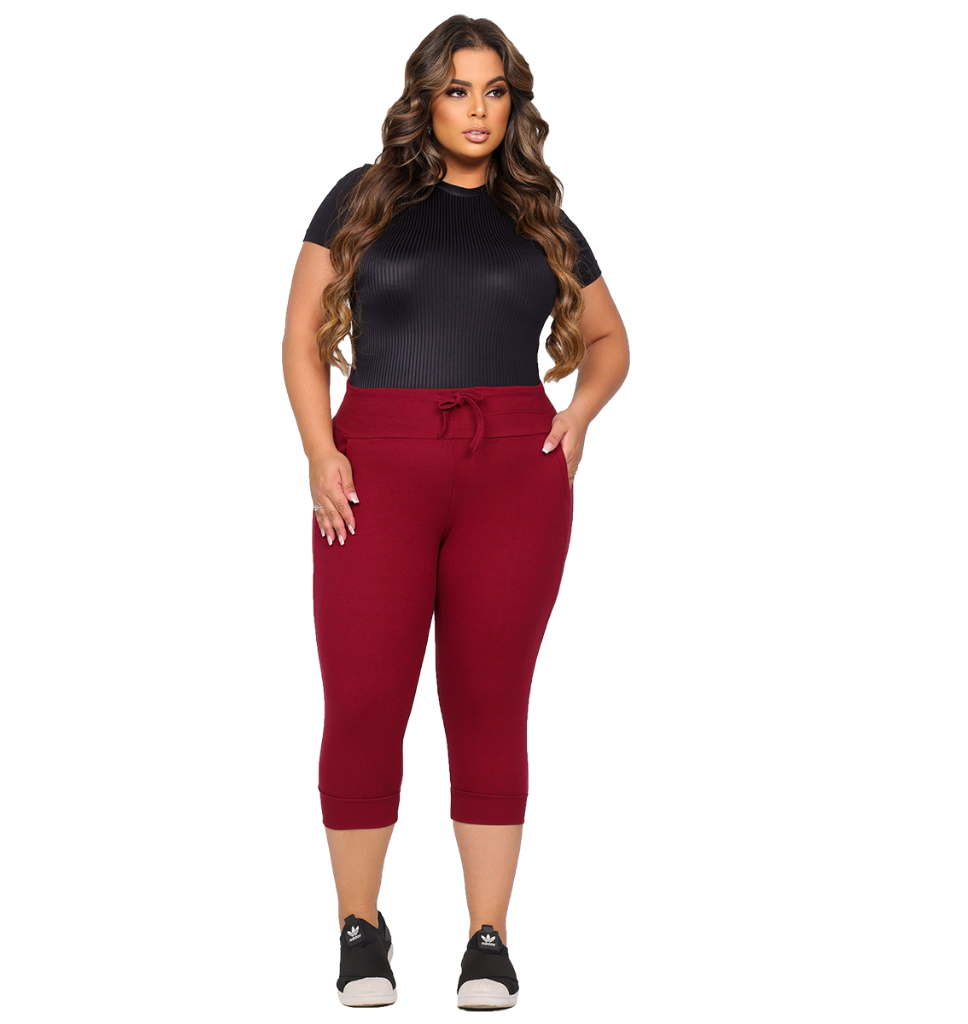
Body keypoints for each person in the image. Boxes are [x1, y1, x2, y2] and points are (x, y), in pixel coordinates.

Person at [282, 15, 629, 1011]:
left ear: (513, 104)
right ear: (424, 99)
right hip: (374, 470)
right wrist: (320, 450)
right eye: (457, 90)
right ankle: (360, 925)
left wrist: (576, 414)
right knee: (363, 697)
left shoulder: (541, 216)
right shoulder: (360, 198)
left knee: (488, 700)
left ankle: (489, 937)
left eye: (495, 92)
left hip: (513, 471)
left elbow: (611, 341)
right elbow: (299, 338)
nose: (478, 110)